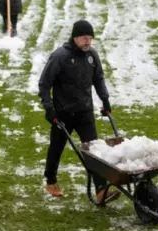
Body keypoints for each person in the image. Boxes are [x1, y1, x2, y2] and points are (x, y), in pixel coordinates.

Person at [38, 20, 120, 203]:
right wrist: (49, 108)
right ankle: (50, 181)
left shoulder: (92, 55)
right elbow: (44, 84)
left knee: (94, 152)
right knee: (56, 148)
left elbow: (98, 79)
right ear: (75, 37)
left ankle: (101, 189)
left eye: (90, 38)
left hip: (85, 112)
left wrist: (105, 101)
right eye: (84, 38)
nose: (88, 42)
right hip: (63, 113)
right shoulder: (60, 56)